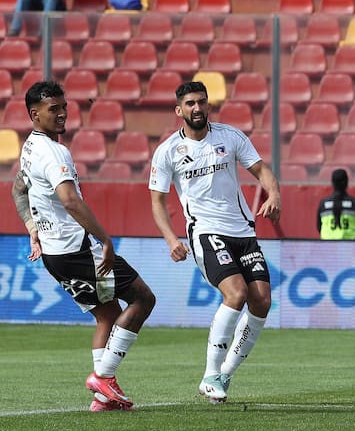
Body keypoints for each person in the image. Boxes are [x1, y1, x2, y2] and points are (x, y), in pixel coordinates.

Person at [10, 81, 156, 412]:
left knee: (107, 315)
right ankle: (103, 377)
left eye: (64, 107)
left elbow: (18, 190)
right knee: (143, 298)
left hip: (54, 254)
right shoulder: (53, 152)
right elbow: (70, 201)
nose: (62, 114)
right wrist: (105, 239)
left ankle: (103, 398)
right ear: (34, 114)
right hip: (77, 249)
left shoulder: (30, 147)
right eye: (53, 110)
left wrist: (33, 228)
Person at [149, 81, 281, 404]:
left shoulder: (230, 137)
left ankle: (225, 373)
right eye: (190, 103)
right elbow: (157, 201)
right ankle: (210, 374)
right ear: (179, 110)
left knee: (261, 300)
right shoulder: (167, 152)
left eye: (202, 102)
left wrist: (274, 194)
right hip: (205, 232)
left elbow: (262, 170)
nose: (197, 108)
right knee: (236, 293)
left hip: (243, 233)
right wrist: (170, 238)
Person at [316, 168, 355, 240]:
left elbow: (319, 228)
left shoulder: (323, 204)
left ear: (332, 183)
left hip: (328, 247)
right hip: (351, 247)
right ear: (347, 182)